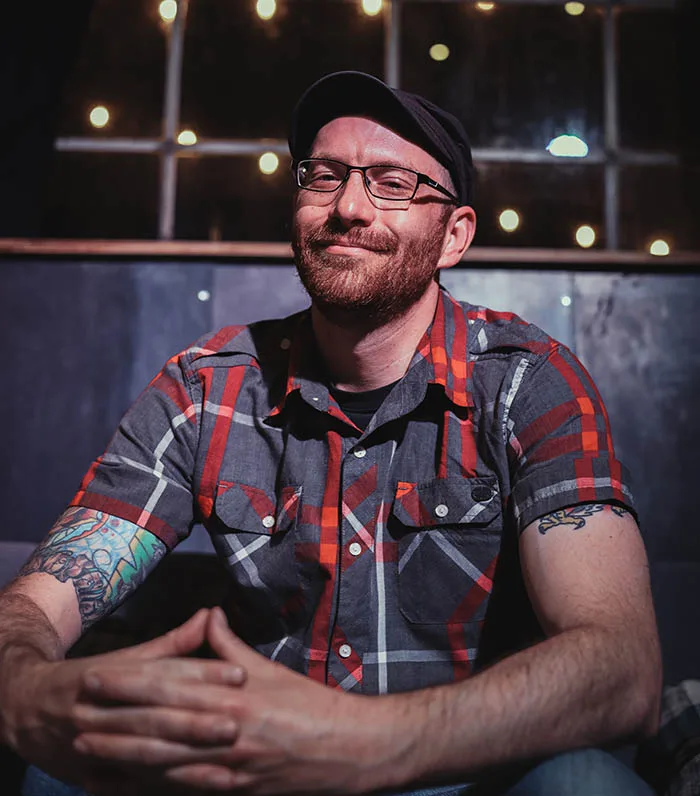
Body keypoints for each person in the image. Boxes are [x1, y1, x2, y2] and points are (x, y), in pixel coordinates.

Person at [0, 71, 661, 796]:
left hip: (464, 775)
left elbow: (623, 670)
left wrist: (361, 744)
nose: (348, 206)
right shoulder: (206, 391)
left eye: (393, 183)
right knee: (49, 772)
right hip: (260, 773)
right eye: (323, 176)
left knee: (585, 784)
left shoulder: (528, 382)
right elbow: (34, 606)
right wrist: (25, 689)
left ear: (454, 235)